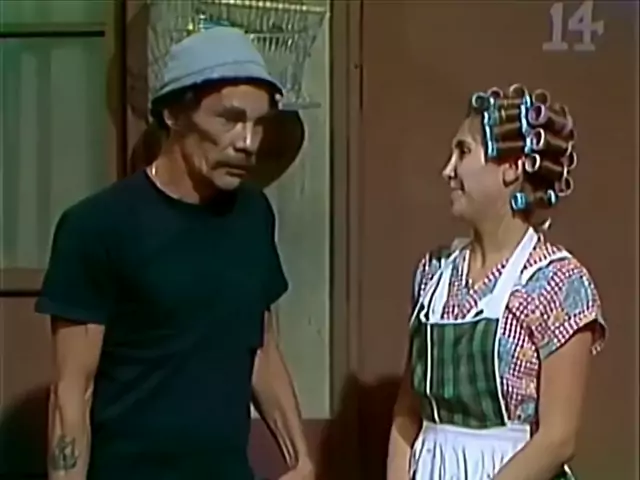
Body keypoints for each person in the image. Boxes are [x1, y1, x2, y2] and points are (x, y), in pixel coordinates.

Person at [37, 25, 312, 480]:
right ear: (173, 114)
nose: (248, 142)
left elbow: (261, 346)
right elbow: (73, 391)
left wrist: (301, 459)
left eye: (258, 124)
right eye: (229, 119)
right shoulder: (98, 226)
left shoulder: (253, 215)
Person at [386, 84, 606, 480]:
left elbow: (557, 438)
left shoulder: (557, 282)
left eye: (463, 151)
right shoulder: (435, 274)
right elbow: (407, 410)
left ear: (512, 168)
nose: (448, 170)